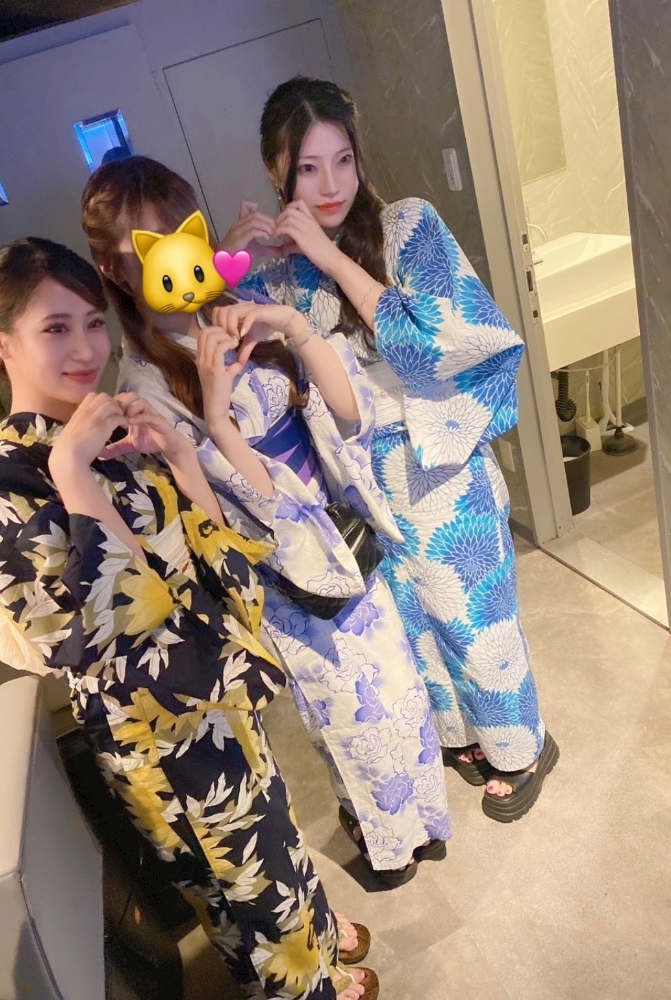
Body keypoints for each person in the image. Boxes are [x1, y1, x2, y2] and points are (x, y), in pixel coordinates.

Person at [0, 236, 376, 1000]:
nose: (87, 348)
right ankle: (304, 981)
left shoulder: (109, 428)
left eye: (93, 322)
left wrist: (179, 456)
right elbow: (89, 639)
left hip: (220, 689)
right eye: (55, 328)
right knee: (240, 887)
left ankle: (311, 932)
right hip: (163, 733)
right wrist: (73, 477)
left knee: (270, 839)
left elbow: (214, 557)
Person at [81, 155, 451, 890]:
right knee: (350, 716)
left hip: (342, 530)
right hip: (289, 571)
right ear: (116, 269)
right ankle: (384, 838)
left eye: (183, 232)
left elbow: (348, 410)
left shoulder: (235, 306)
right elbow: (223, 517)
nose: (176, 255)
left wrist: (292, 325)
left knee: (400, 687)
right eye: (148, 247)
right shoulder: (146, 387)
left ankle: (425, 816)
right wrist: (217, 418)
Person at [224, 75, 558, 822]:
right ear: (276, 171)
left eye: (343, 160)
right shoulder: (277, 268)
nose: (331, 185)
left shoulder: (408, 227)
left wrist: (332, 257)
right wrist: (228, 261)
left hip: (440, 462)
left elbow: (442, 341)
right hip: (360, 476)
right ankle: (467, 737)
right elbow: (243, 368)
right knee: (418, 625)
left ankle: (523, 747)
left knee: (472, 619)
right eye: (308, 168)